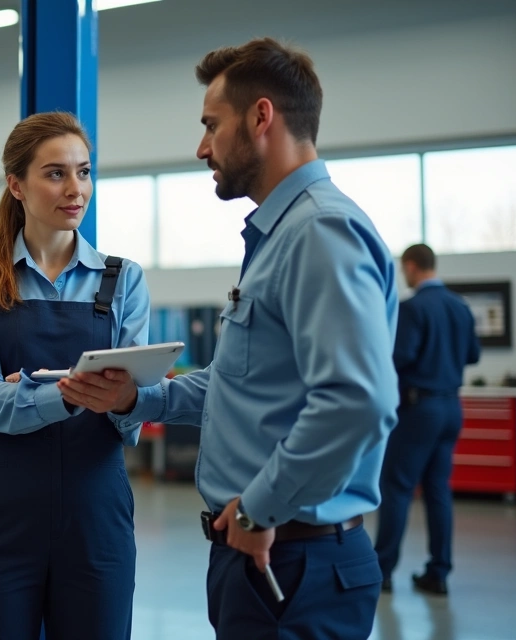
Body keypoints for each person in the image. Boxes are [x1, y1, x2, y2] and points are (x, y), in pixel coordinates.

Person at [60, 37, 400, 638]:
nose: (201, 147)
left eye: (211, 125)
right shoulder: (283, 234)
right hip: (266, 556)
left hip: (292, 562)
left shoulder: (319, 233)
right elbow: (243, 384)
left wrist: (261, 503)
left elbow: (357, 402)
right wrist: (137, 398)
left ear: (261, 116)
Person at [0, 111, 152, 640]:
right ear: (17, 184)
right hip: (0, 518)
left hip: (96, 516)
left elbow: (133, 408)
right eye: (55, 173)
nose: (75, 189)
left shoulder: (124, 280)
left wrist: (32, 387)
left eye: (84, 172)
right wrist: (72, 394)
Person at [374, 243, 481, 595]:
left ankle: (383, 571)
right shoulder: (460, 307)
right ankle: (439, 572)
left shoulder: (413, 307)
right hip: (452, 407)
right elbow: (472, 355)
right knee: (438, 491)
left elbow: (400, 357)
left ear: (412, 266)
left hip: (420, 410)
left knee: (398, 487)